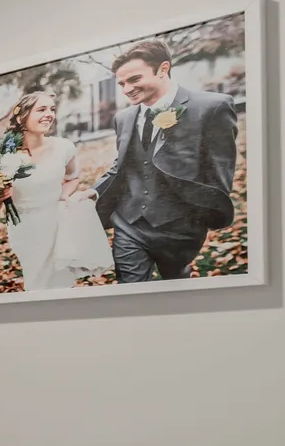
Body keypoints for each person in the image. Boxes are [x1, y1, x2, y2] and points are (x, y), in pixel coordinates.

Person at [92, 38, 239, 281]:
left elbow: (220, 171)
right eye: (122, 83)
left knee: (176, 288)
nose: (127, 89)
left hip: (181, 227)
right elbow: (122, 166)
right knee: (131, 294)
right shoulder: (124, 118)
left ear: (163, 69)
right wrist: (93, 192)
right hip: (130, 224)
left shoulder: (211, 107)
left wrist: (199, 219)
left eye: (134, 79)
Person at [0, 91, 112, 290]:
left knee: (61, 282)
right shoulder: (3, 156)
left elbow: (73, 178)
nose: (49, 114)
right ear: (22, 117)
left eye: (52, 109)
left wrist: (65, 195)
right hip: (25, 229)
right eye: (41, 109)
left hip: (58, 224)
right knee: (36, 281)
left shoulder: (64, 147)